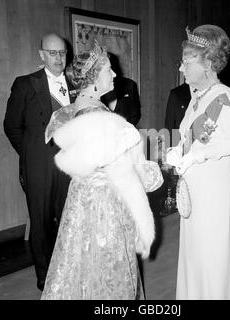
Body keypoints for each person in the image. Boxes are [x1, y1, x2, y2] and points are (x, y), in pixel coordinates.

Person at [41, 41, 163, 300]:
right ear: (94, 79)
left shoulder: (73, 111)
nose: (115, 74)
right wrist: (160, 170)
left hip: (81, 202)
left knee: (81, 268)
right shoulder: (106, 121)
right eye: (109, 69)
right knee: (108, 274)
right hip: (106, 207)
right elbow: (134, 173)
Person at [166, 25, 230, 299]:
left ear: (208, 64)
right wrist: (178, 150)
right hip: (196, 198)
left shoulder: (224, 96)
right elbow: (194, 137)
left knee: (212, 260)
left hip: (213, 200)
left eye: (187, 62)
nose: (181, 68)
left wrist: (198, 155)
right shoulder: (196, 99)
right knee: (195, 258)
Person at [3, 33, 76, 291]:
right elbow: (11, 127)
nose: (59, 58)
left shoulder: (75, 85)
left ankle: (68, 268)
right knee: (41, 223)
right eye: (53, 53)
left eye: (63, 53)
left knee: (70, 219)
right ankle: (45, 277)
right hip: (39, 169)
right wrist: (32, 154)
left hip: (70, 166)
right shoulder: (26, 84)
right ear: (41, 54)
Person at [101, 53, 141, 126]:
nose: (114, 74)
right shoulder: (95, 92)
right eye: (108, 69)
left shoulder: (129, 85)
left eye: (111, 67)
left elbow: (135, 115)